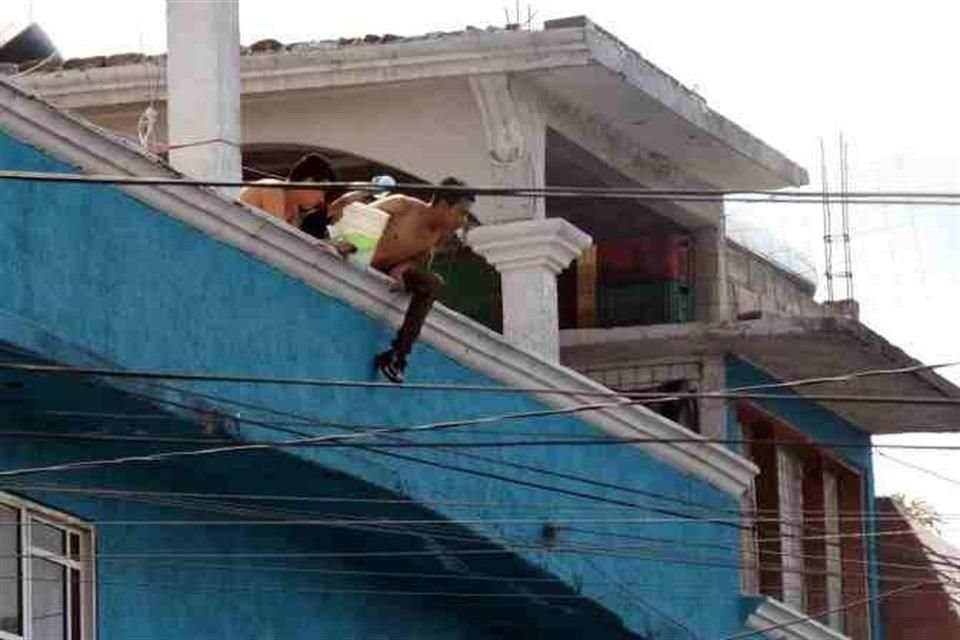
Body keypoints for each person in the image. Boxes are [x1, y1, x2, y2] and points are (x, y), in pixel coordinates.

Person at [370, 177, 477, 383]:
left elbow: (414, 262)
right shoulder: (401, 205)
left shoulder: (435, 236)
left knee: (432, 283)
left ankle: (398, 356)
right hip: (354, 259)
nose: (463, 221)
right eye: (461, 212)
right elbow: (356, 217)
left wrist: (402, 272)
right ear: (444, 205)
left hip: (386, 274)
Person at [238, 154, 367, 255]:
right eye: (322, 191)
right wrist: (329, 244)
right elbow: (280, 237)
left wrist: (329, 244)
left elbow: (295, 244)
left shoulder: (294, 211)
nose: (321, 200)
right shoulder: (272, 188)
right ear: (309, 182)